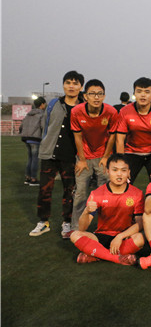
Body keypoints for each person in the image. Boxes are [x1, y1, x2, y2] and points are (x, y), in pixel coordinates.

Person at [29, 71, 84, 239]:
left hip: (70, 156)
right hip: (49, 153)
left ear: (81, 86)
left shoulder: (84, 106)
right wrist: (45, 144)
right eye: (68, 83)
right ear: (63, 85)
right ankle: (43, 221)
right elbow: (46, 126)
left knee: (70, 191)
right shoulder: (54, 104)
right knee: (44, 190)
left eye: (75, 83)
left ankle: (67, 222)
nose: (71, 86)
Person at [69, 154, 144, 265]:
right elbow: (82, 228)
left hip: (124, 237)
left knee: (140, 238)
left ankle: (96, 255)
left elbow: (140, 224)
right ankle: (116, 258)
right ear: (108, 171)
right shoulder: (97, 194)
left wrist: (120, 236)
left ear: (129, 172)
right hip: (101, 236)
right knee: (75, 235)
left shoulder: (137, 194)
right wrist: (86, 211)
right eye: (115, 170)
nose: (119, 174)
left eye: (123, 170)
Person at [70, 79, 119, 230]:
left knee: (105, 193)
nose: (96, 97)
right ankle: (76, 228)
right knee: (80, 193)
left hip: (103, 157)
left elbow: (112, 136)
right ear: (85, 96)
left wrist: (106, 157)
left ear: (104, 96)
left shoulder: (111, 112)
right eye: (92, 94)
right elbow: (77, 137)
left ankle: (106, 227)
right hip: (84, 157)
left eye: (100, 94)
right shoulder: (76, 111)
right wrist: (82, 159)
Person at [115, 77, 151, 185]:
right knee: (123, 182)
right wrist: (122, 166)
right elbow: (120, 140)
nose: (143, 95)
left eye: (147, 92)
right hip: (132, 151)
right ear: (134, 94)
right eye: (139, 91)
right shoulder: (125, 111)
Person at [20, 97, 47, 186]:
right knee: (35, 159)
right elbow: (43, 126)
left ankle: (27, 178)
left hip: (26, 138)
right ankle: (33, 179)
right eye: (44, 104)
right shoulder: (42, 114)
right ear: (42, 104)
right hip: (35, 138)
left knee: (30, 159)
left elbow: (21, 126)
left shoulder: (28, 114)